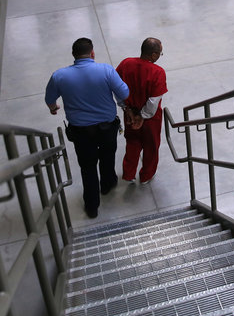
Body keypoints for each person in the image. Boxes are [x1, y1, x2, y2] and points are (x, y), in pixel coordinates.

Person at [45, 37, 129, 218]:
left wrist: (54, 109)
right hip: (107, 128)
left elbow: (49, 99)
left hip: (80, 132)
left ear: (74, 56)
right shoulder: (106, 70)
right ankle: (107, 184)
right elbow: (124, 93)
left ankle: (92, 205)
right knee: (108, 155)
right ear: (92, 53)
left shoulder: (59, 75)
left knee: (87, 166)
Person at [116, 37, 168, 185]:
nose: (159, 56)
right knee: (151, 146)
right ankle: (146, 175)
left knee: (132, 143)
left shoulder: (126, 64)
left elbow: (117, 88)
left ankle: (129, 174)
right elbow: (153, 101)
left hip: (129, 114)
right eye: (160, 53)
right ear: (153, 55)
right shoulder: (158, 72)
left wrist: (127, 109)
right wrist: (142, 116)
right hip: (150, 119)